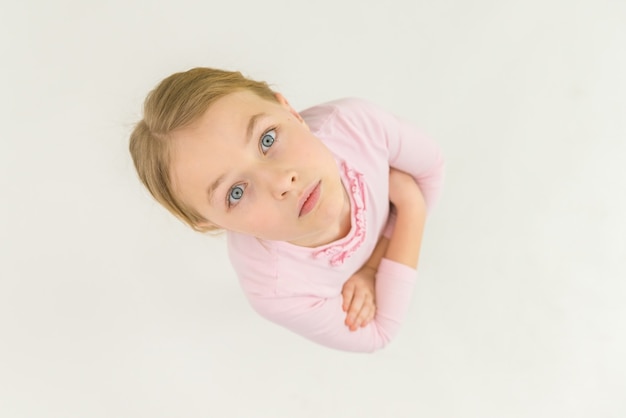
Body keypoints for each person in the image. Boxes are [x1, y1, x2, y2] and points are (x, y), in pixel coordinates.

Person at [129, 67, 445, 352]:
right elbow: (378, 333)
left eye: (267, 139)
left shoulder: (357, 126)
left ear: (290, 112)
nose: (281, 181)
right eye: (236, 193)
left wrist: (376, 265)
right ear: (208, 222)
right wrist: (410, 208)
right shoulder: (276, 288)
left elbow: (431, 169)